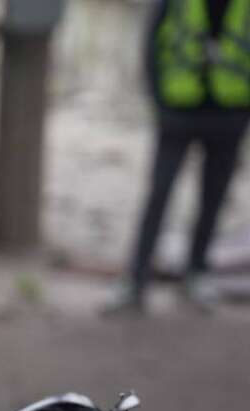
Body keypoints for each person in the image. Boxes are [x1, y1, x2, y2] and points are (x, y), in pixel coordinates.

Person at [107, 0, 250, 315]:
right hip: (178, 113)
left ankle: (197, 272)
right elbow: (151, 44)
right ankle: (136, 280)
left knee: (213, 199)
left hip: (230, 114)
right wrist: (159, 103)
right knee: (159, 195)